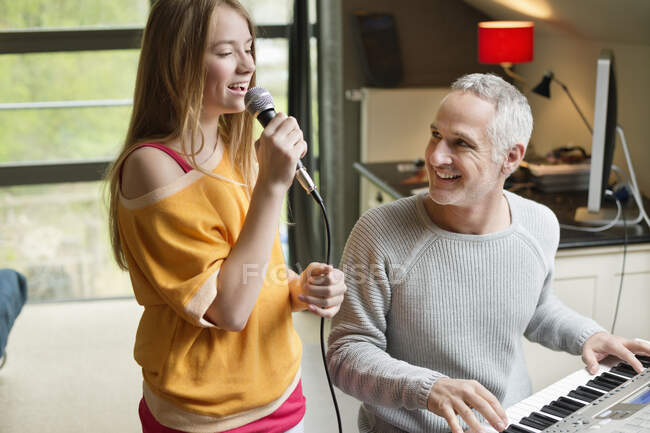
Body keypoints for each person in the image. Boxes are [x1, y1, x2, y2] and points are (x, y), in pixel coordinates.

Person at [326, 73, 650, 433]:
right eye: (436, 135)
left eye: (460, 143)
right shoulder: (378, 231)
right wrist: (428, 388)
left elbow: (536, 307)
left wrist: (588, 335)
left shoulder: (539, 224)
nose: (435, 156)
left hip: (512, 423)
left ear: (510, 156)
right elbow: (346, 353)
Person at [105, 1, 346, 432]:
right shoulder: (152, 166)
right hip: (207, 413)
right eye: (225, 52)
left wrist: (297, 287)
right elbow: (228, 309)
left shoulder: (239, 148)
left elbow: (253, 270)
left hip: (282, 390)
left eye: (249, 48)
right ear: (177, 61)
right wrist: (273, 185)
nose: (247, 65)